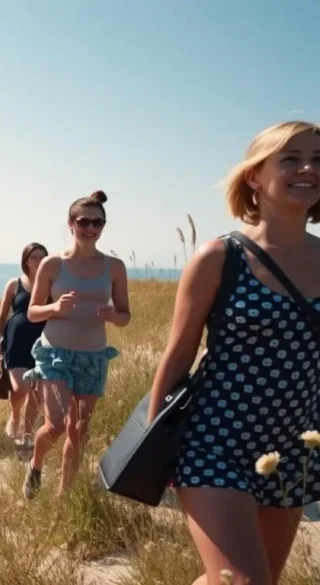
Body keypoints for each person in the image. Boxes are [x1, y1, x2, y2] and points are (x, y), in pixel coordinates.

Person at [148, 121, 320, 585]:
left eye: (318, 159)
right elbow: (179, 354)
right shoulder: (220, 257)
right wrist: (155, 448)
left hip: (294, 451)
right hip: (215, 443)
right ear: (254, 176)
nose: (308, 168)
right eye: (291, 158)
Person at [23, 190, 130, 499]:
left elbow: (125, 317)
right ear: (70, 224)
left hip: (94, 356)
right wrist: (55, 309)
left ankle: (63, 498)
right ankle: (36, 465)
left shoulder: (115, 267)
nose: (92, 228)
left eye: (99, 223)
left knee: (78, 430)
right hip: (55, 352)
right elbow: (32, 312)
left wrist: (114, 316)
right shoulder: (53, 264)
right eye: (85, 222)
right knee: (55, 426)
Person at [0, 243, 49, 447]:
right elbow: (2, 313)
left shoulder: (51, 284)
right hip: (15, 340)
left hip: (43, 342)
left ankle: (27, 431)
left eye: (42, 257)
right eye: (34, 257)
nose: (39, 261)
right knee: (21, 388)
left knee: (37, 389)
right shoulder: (14, 284)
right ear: (26, 260)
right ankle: (14, 416)